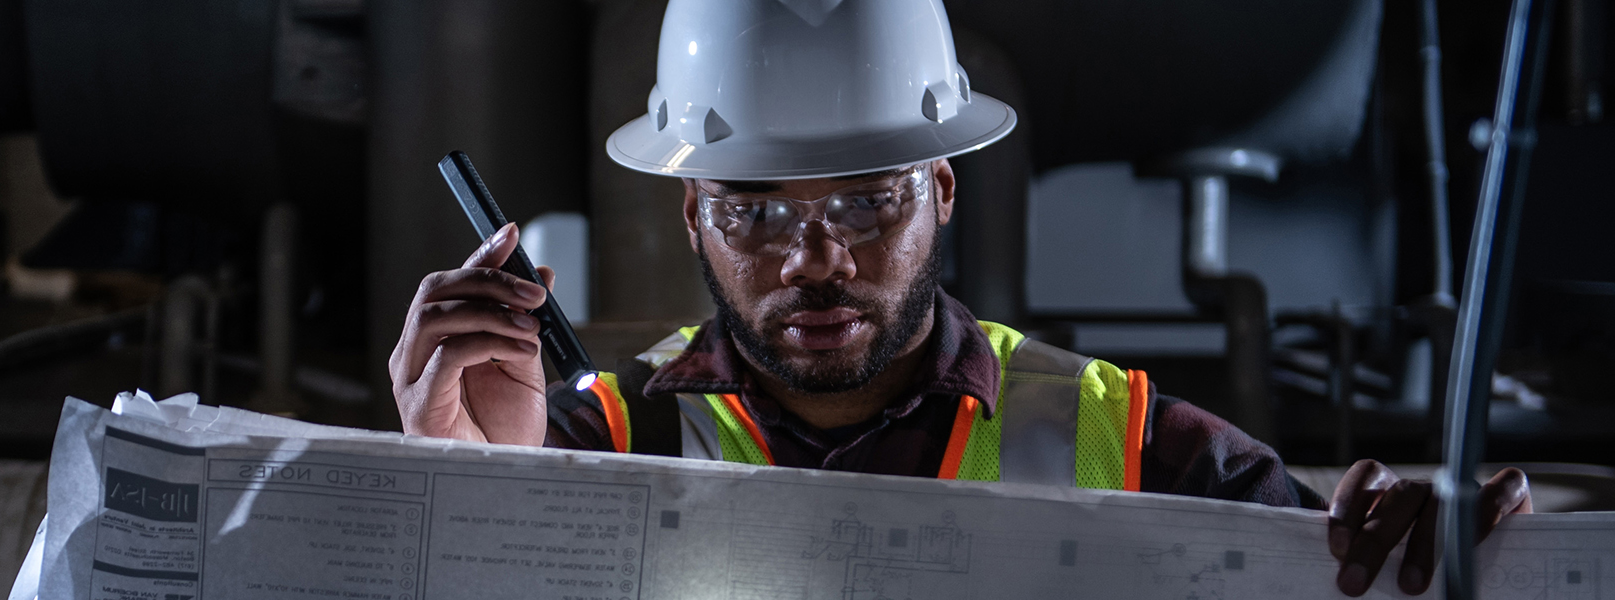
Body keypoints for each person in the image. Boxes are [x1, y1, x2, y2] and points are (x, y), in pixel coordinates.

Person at [387, 0, 1532, 596]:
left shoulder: (1140, 448)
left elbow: (1346, 572)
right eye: (757, 211)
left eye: (868, 202)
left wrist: (1441, 563)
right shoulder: (576, 442)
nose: (813, 261)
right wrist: (459, 497)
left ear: (941, 193)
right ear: (692, 218)